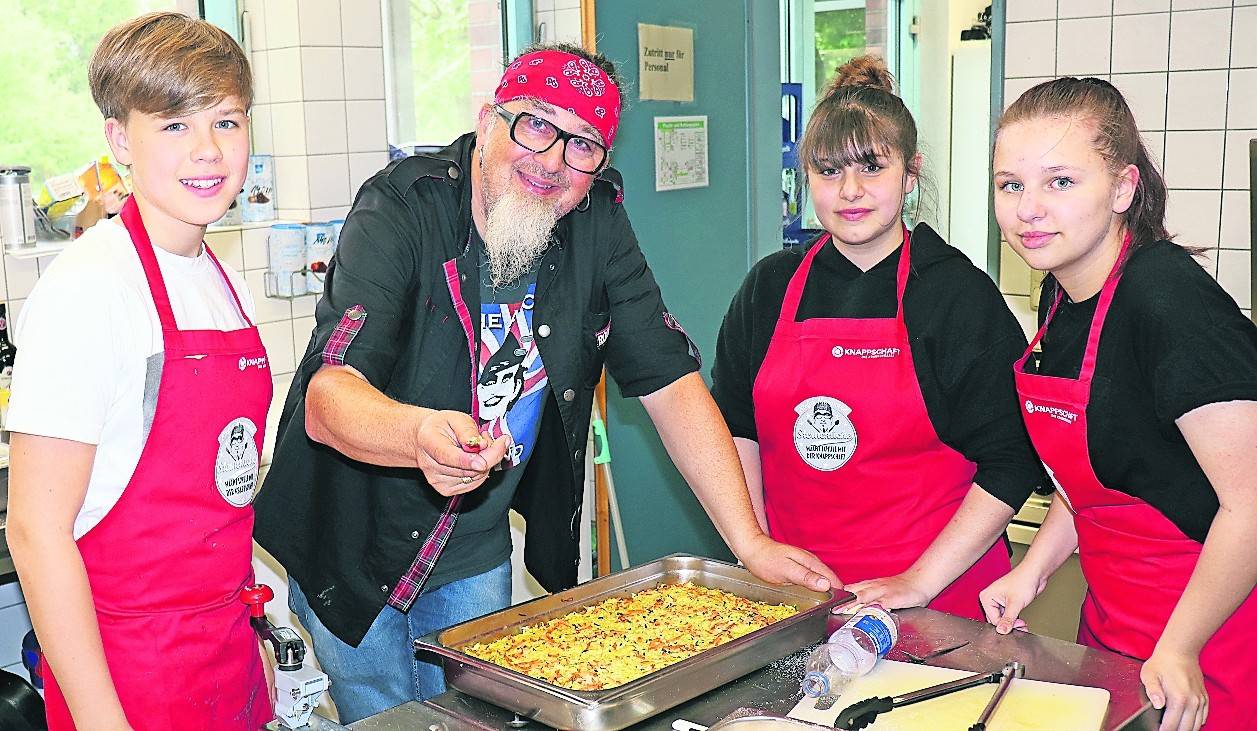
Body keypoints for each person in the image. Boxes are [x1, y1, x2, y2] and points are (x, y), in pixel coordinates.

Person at [253, 42, 836, 723]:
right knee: (387, 718)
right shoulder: (403, 206)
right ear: (488, 120)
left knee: (485, 719)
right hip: (349, 544)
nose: (553, 160)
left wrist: (750, 542)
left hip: (474, 544)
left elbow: (670, 383)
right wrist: (417, 433)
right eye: (535, 124)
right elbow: (328, 399)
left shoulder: (597, 225)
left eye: (583, 144)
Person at [6, 12, 273, 731]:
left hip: (225, 652)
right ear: (120, 138)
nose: (210, 151)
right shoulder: (90, 289)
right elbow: (34, 530)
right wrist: (101, 720)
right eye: (175, 125)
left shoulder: (223, 281)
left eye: (227, 121)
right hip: (131, 674)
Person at [711, 55, 1042, 621]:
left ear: (910, 175)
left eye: (872, 167)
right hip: (801, 599)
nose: (850, 191)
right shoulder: (769, 287)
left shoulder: (954, 294)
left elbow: (1014, 460)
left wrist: (918, 581)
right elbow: (735, 429)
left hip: (940, 601)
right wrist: (757, 548)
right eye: (828, 170)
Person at [981, 77, 1257, 731]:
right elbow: (1099, 478)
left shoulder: (1167, 301)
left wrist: (1183, 642)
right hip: (1113, 623)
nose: (1028, 209)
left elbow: (1250, 499)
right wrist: (1032, 570)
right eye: (1010, 184)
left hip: (1214, 630)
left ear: (1123, 188)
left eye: (1059, 182)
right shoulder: (1059, 294)